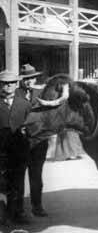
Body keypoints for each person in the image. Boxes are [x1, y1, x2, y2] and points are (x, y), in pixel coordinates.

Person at [0, 70, 33, 226]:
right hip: (1, 151)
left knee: (18, 183)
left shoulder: (25, 104)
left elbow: (32, 127)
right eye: (5, 83)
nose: (8, 85)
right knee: (2, 183)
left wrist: (27, 132)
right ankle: (3, 214)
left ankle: (18, 213)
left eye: (11, 82)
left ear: (16, 84)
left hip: (19, 150)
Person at [19, 64, 48, 216]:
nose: (29, 81)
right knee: (18, 176)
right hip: (19, 142)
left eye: (32, 78)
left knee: (36, 175)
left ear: (35, 78)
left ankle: (37, 206)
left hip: (38, 141)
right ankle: (18, 209)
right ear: (21, 80)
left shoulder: (42, 94)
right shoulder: (16, 94)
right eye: (26, 79)